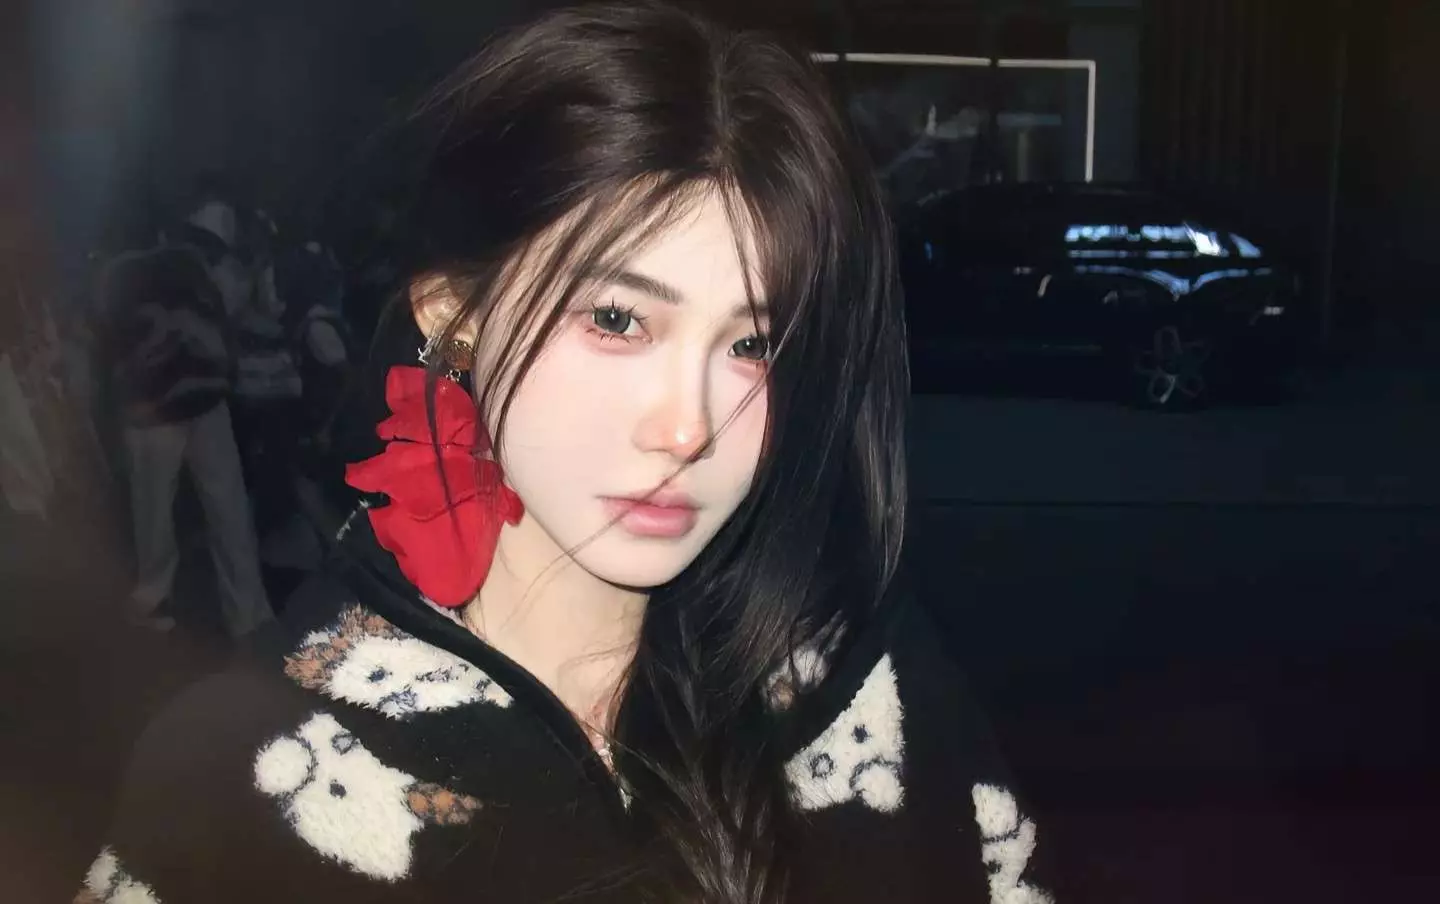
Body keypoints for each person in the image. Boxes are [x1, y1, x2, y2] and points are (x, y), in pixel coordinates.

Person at [77, 5, 1055, 903]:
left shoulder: (869, 685)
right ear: (454, 317)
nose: (687, 428)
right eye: (619, 319)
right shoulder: (242, 774)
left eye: (754, 344)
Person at [94, 223, 273, 636]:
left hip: (152, 407)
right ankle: (249, 613)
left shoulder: (114, 278)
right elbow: (221, 320)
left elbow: (106, 346)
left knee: (153, 511)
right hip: (205, 394)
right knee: (228, 506)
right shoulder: (189, 263)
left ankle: (154, 601)